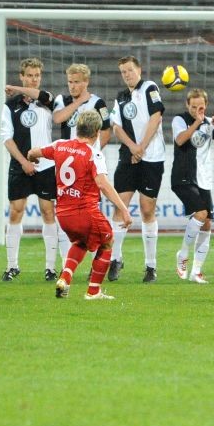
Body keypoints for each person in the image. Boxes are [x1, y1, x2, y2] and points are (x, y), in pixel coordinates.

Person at [27, 110, 132, 300]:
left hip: (63, 215)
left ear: (78, 128)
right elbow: (103, 184)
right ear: (97, 132)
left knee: (81, 242)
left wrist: (32, 158)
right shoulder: (93, 154)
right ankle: (94, 291)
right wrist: (123, 209)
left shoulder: (60, 145)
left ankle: (65, 278)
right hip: (85, 212)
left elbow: (33, 152)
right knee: (107, 241)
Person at [0, 57, 59, 282]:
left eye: (37, 76)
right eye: (30, 76)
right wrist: (23, 162)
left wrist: (16, 88)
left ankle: (50, 268)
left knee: (48, 212)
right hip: (20, 165)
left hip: (46, 165)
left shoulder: (48, 100)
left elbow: (40, 95)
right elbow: (7, 138)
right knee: (16, 211)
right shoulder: (10, 106)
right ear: (22, 76)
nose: (34, 79)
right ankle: (12, 265)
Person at [107, 55, 166, 283]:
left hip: (152, 157)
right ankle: (115, 258)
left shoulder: (149, 87)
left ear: (139, 70)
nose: (127, 75)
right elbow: (116, 127)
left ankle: (151, 266)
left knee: (147, 209)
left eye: (130, 70)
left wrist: (141, 147)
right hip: (128, 157)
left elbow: (156, 117)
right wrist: (133, 147)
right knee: (120, 206)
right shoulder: (121, 97)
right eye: (123, 72)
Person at [52, 63, 112, 261]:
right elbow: (58, 118)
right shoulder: (62, 100)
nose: (72, 86)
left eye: (77, 82)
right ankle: (65, 263)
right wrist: (78, 102)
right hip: (67, 165)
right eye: (70, 82)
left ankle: (97, 261)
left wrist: (91, 154)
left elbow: (106, 131)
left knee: (91, 212)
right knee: (64, 213)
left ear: (86, 82)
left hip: (87, 166)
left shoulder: (98, 103)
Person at [171, 88, 214, 284]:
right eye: (194, 106)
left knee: (207, 223)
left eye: (201, 107)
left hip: (203, 179)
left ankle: (196, 271)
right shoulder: (180, 120)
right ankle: (183, 254)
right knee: (201, 213)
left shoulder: (210, 123)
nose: (198, 110)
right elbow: (180, 140)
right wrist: (197, 122)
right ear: (187, 105)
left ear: (206, 106)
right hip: (183, 177)